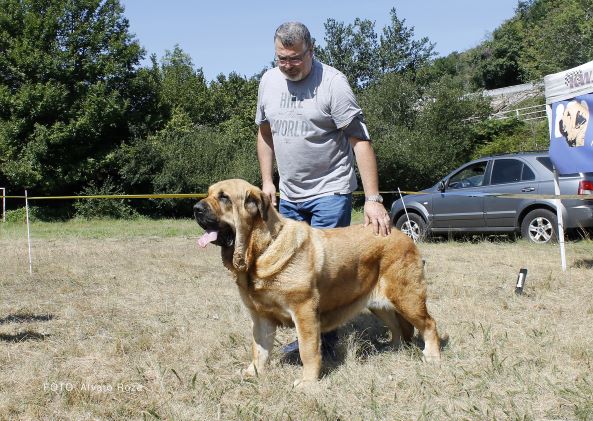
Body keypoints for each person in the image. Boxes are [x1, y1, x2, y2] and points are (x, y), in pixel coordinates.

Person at [255, 21, 391, 357]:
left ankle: (322, 344)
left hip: (330, 192)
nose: (288, 66)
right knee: (289, 271)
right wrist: (268, 181)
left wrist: (372, 199)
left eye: (295, 59)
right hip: (290, 196)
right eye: (281, 59)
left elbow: (360, 141)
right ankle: (304, 335)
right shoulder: (269, 82)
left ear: (310, 50)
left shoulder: (333, 84)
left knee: (323, 274)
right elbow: (264, 133)